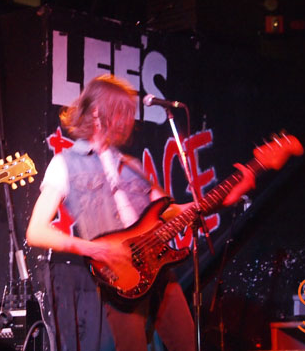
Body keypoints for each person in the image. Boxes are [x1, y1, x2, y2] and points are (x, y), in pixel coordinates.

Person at [26, 75, 255, 351]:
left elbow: (171, 212)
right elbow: (36, 231)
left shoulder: (132, 165)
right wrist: (93, 249)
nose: (128, 121)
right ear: (97, 112)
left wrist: (224, 198)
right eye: (121, 111)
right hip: (118, 276)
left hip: (159, 270)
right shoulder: (66, 163)